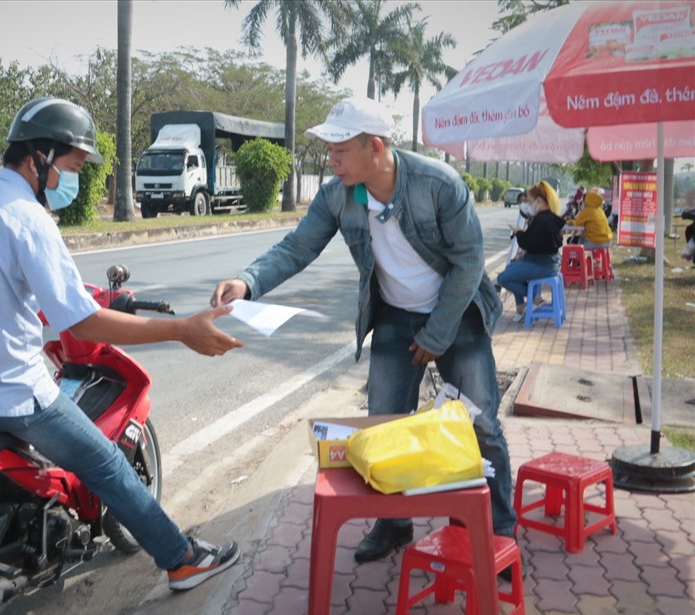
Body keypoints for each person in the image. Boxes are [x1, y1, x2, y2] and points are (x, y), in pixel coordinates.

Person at [0, 97, 242, 591]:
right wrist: (181, 329)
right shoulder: (29, 218)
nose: (69, 180)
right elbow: (85, 323)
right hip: (10, 396)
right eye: (68, 167)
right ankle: (182, 558)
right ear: (38, 157)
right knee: (106, 464)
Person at [210, 96, 517, 567]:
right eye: (329, 150)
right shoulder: (340, 193)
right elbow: (297, 247)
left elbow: (469, 262)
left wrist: (437, 334)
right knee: (384, 426)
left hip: (457, 313)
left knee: (481, 423)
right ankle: (394, 525)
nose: (330, 161)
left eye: (339, 150)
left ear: (375, 147)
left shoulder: (439, 183)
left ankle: (497, 532)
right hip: (394, 317)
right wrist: (248, 281)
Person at [496, 181, 565, 322]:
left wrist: (518, 233)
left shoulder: (541, 220)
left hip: (541, 264)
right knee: (512, 267)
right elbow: (545, 243)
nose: (527, 204)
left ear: (539, 201)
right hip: (549, 261)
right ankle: (521, 307)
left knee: (503, 278)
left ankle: (535, 298)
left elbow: (528, 242)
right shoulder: (550, 217)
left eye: (529, 201)